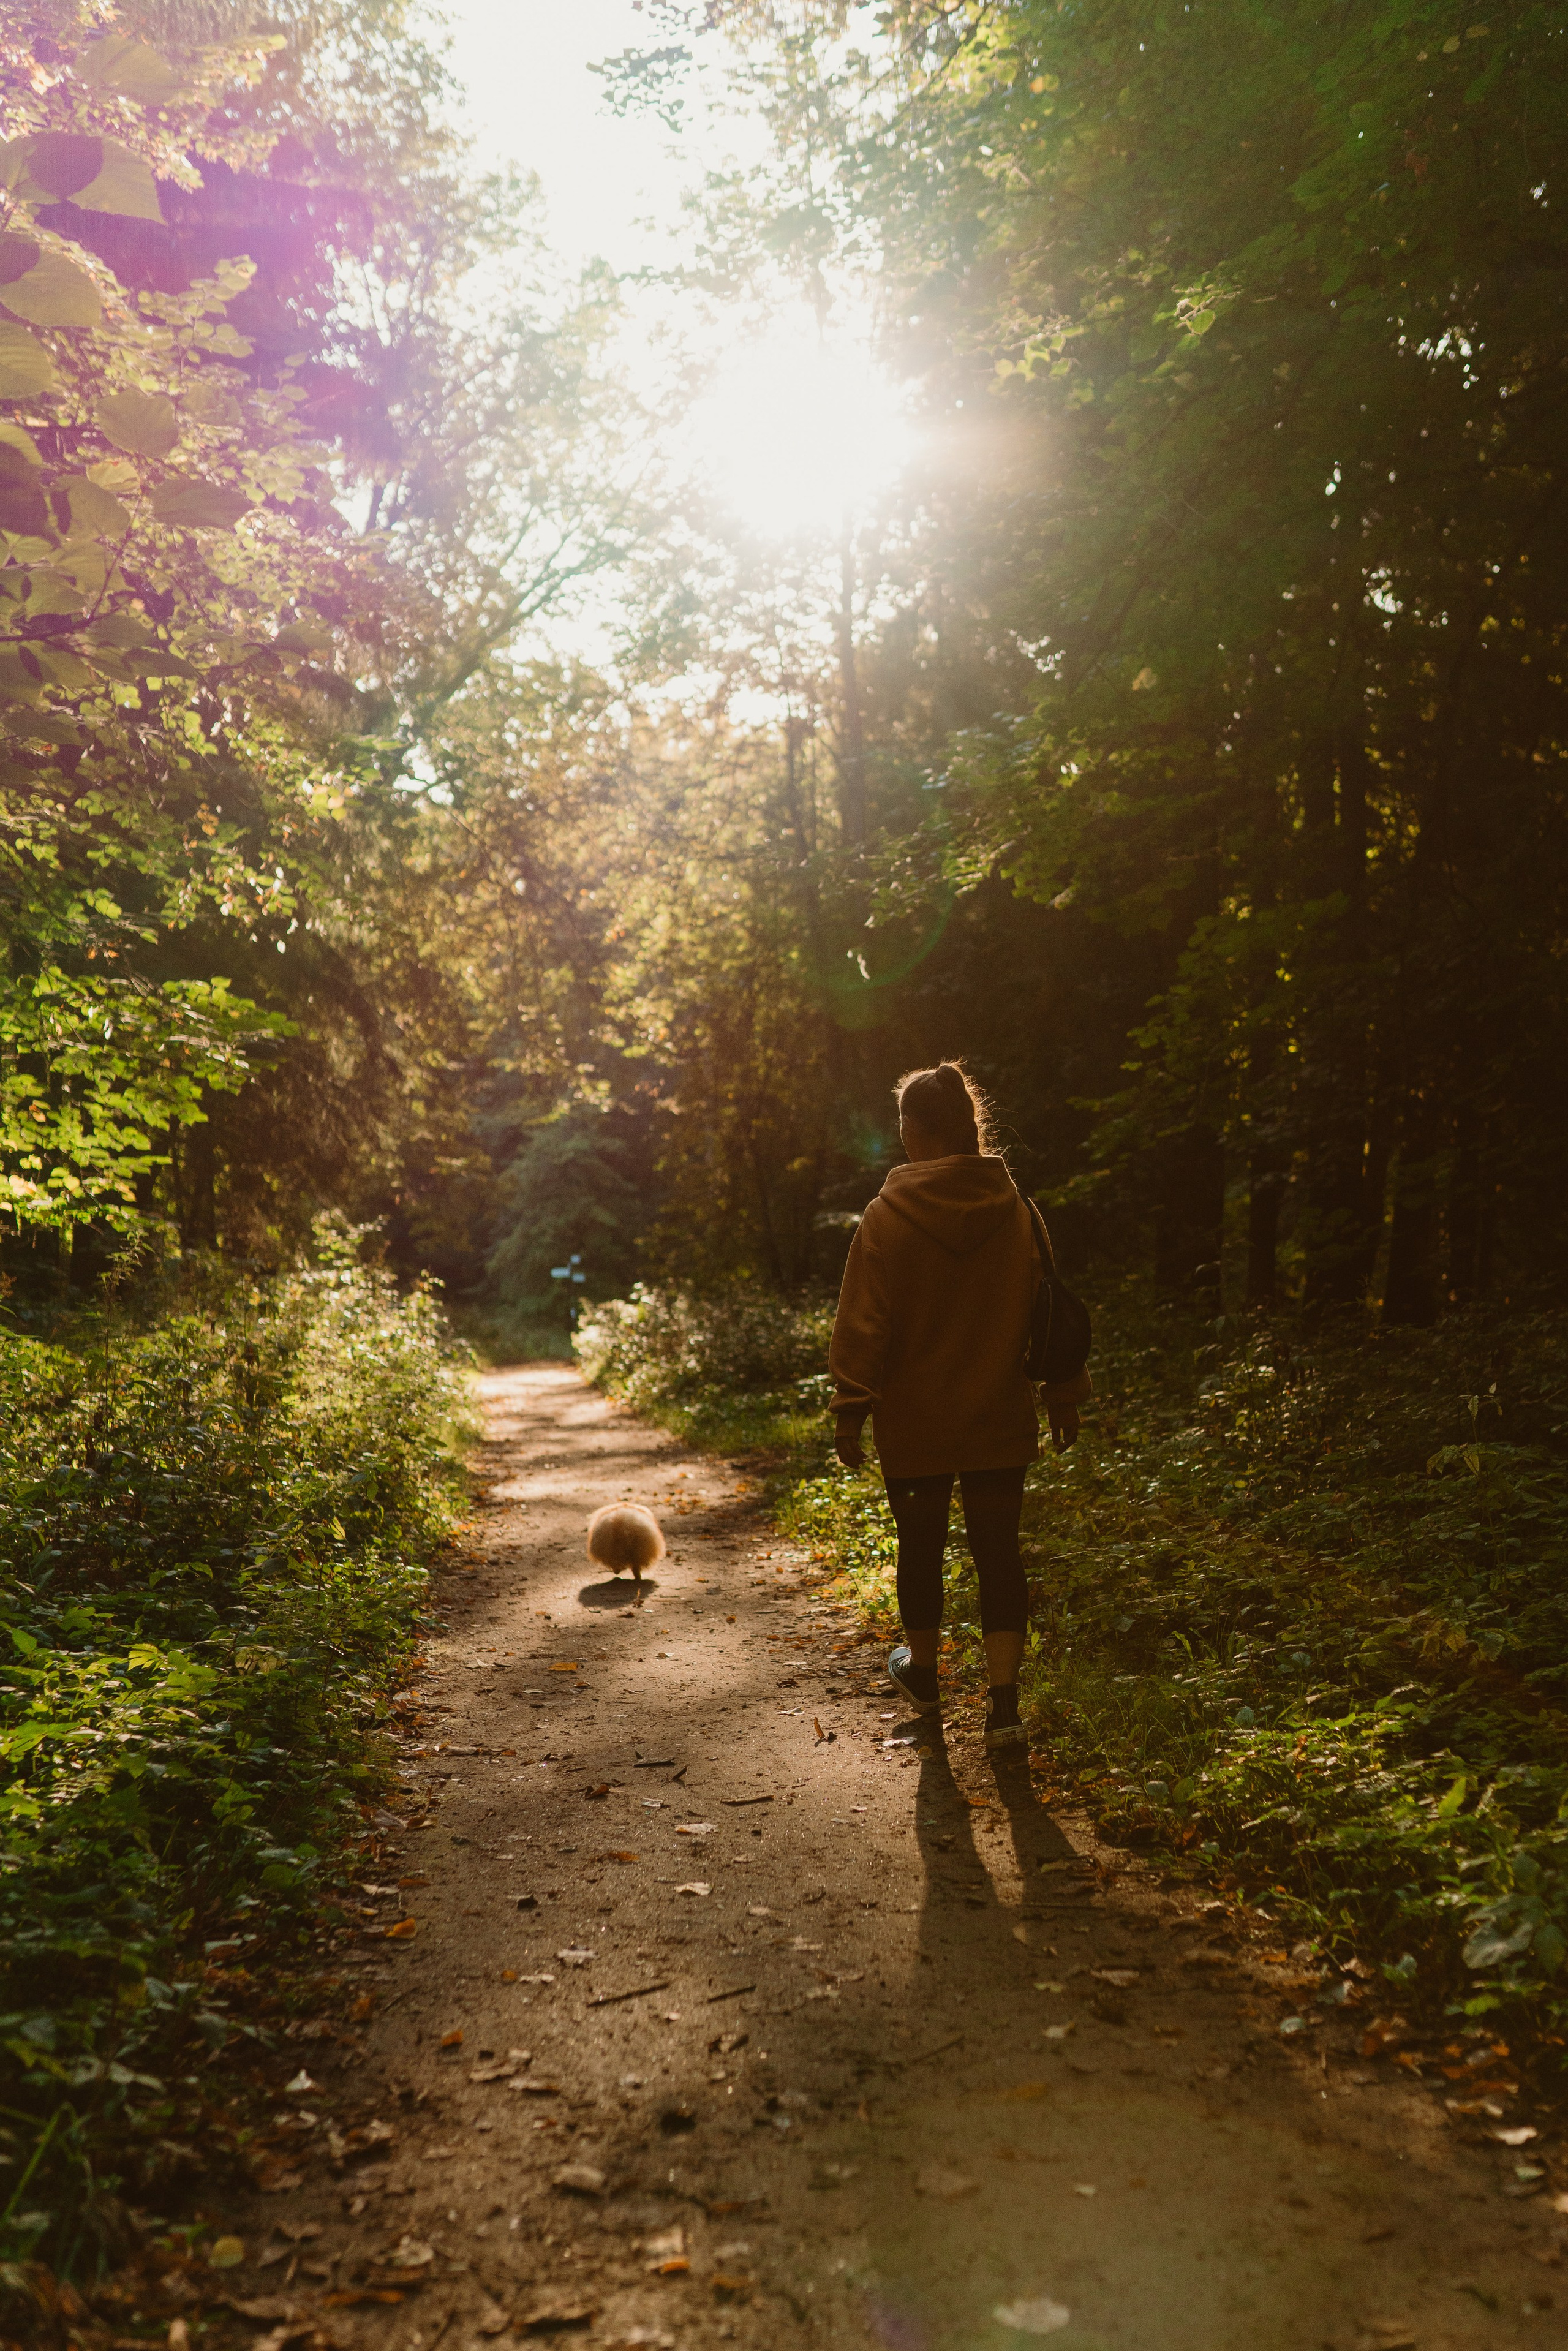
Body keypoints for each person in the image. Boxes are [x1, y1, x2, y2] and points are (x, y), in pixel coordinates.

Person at [827, 1060, 1091, 1754]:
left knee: (919, 1550)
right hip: (998, 1415)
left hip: (914, 1422)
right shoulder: (1018, 1209)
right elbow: (1050, 1310)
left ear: (916, 1130)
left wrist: (849, 1410)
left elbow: (862, 1322)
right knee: (998, 1555)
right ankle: (1004, 1708)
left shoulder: (885, 1217)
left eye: (904, 1125)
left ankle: (924, 1675)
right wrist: (1063, 1394)